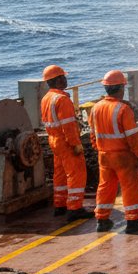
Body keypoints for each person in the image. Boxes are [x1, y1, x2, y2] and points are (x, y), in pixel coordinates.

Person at [91, 70, 138, 234]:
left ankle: (102, 220)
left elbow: (93, 134)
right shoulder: (123, 110)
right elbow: (133, 138)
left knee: (105, 186)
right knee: (130, 187)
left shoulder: (95, 108)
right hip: (123, 156)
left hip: (104, 155)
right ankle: (133, 222)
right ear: (120, 88)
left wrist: (99, 148)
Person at [39, 65, 87, 220]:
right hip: (65, 141)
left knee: (59, 173)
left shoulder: (46, 98)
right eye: (64, 77)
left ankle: (60, 204)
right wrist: (75, 144)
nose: (66, 79)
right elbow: (68, 126)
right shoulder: (62, 100)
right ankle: (75, 208)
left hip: (53, 140)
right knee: (76, 172)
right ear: (58, 79)